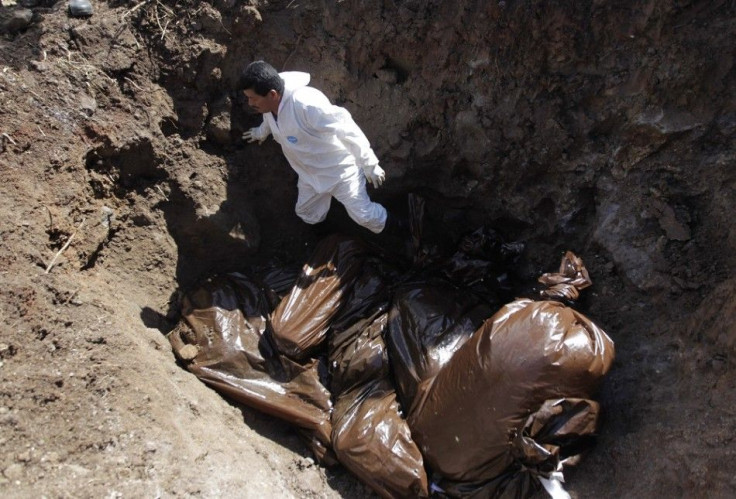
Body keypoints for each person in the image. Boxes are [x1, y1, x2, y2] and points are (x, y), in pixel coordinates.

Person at [240, 61, 399, 234]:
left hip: (340, 172)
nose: (250, 103)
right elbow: (271, 120)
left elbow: (345, 127)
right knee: (306, 213)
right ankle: (327, 232)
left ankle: (402, 229)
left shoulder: (306, 104)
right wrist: (260, 132)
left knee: (365, 216)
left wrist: (369, 163)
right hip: (309, 174)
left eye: (253, 98)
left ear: (272, 94)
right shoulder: (270, 104)